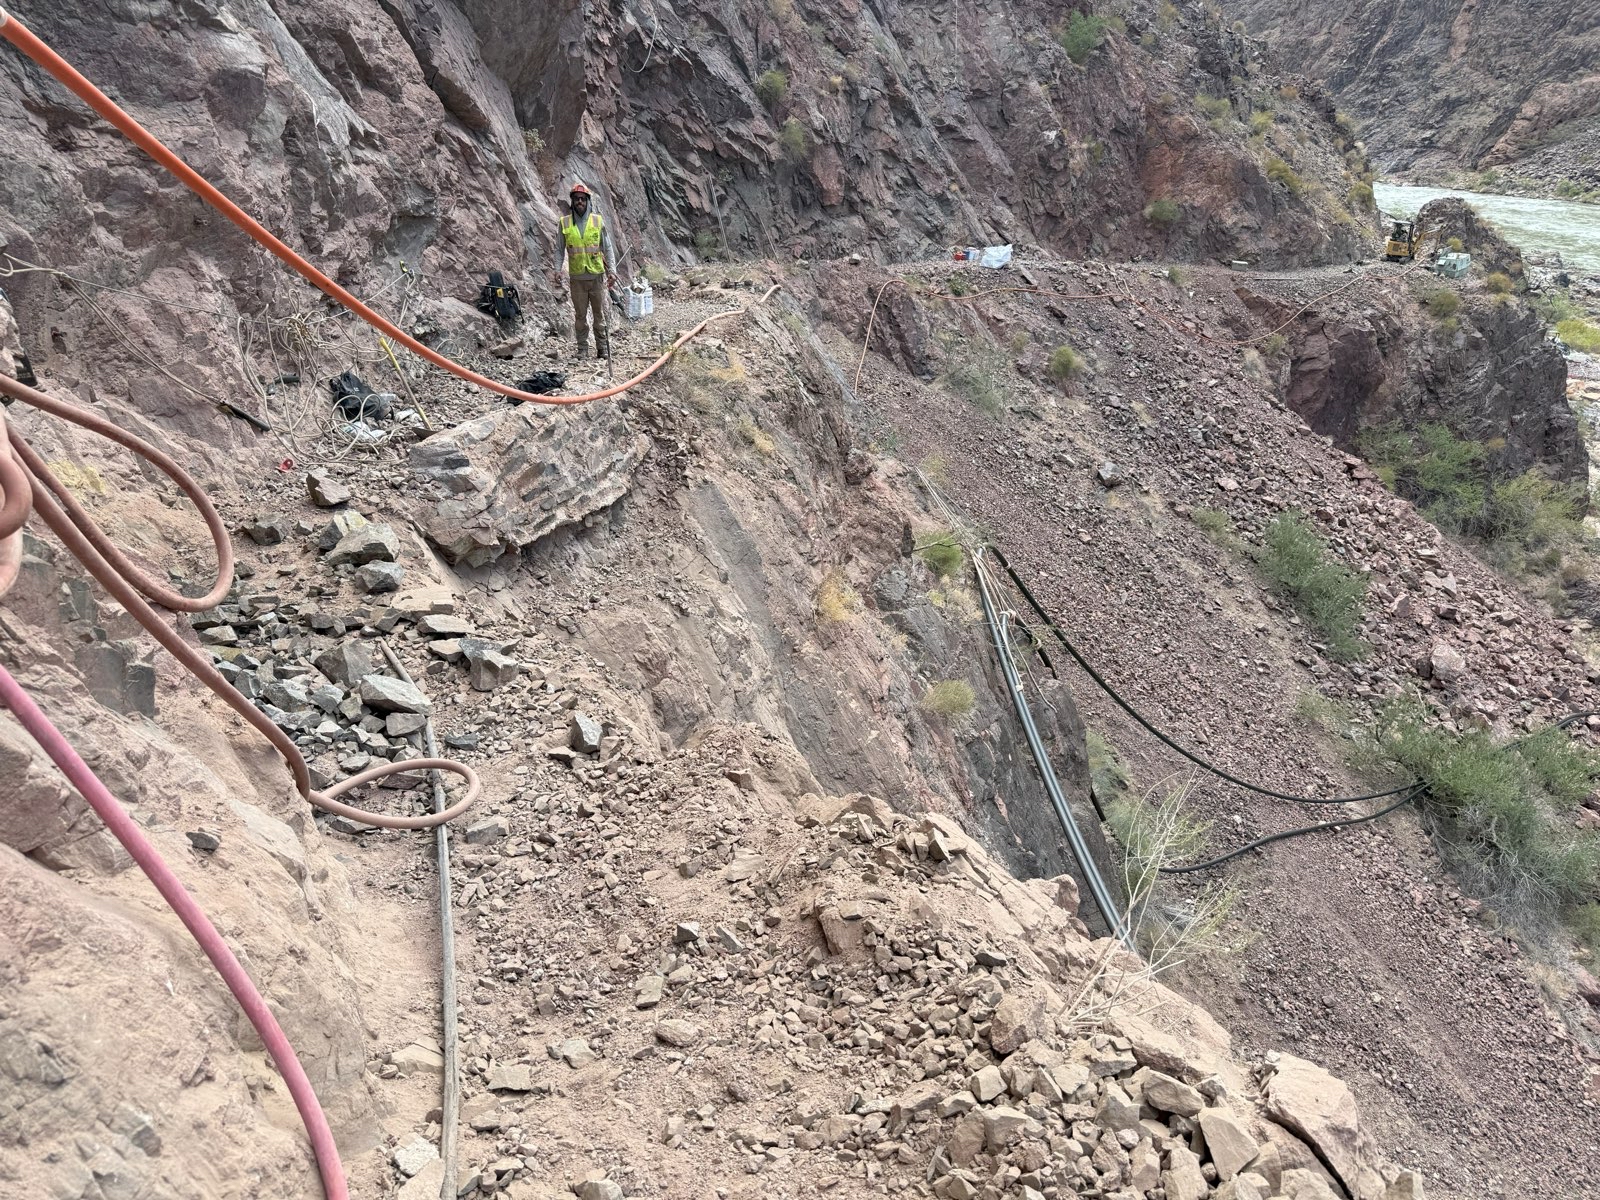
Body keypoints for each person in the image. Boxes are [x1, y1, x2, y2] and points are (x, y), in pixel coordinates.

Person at [553, 182, 617, 360]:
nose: (580, 201)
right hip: (577, 278)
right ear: (572, 201)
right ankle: (582, 349)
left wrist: (612, 270)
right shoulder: (564, 223)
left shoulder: (597, 221)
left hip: (596, 276)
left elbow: (608, 247)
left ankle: (602, 349)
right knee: (580, 316)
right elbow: (559, 249)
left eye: (583, 199)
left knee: (599, 315)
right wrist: (557, 269)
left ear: (587, 201)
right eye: (576, 199)